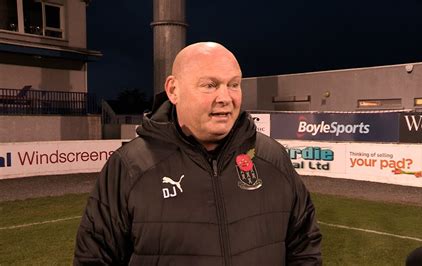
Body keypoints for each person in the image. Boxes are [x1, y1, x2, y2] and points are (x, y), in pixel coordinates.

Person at [74, 42, 322, 265]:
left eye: (233, 84)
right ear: (173, 90)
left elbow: (304, 246)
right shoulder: (129, 166)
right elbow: (94, 258)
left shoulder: (272, 157)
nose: (225, 97)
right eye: (210, 85)